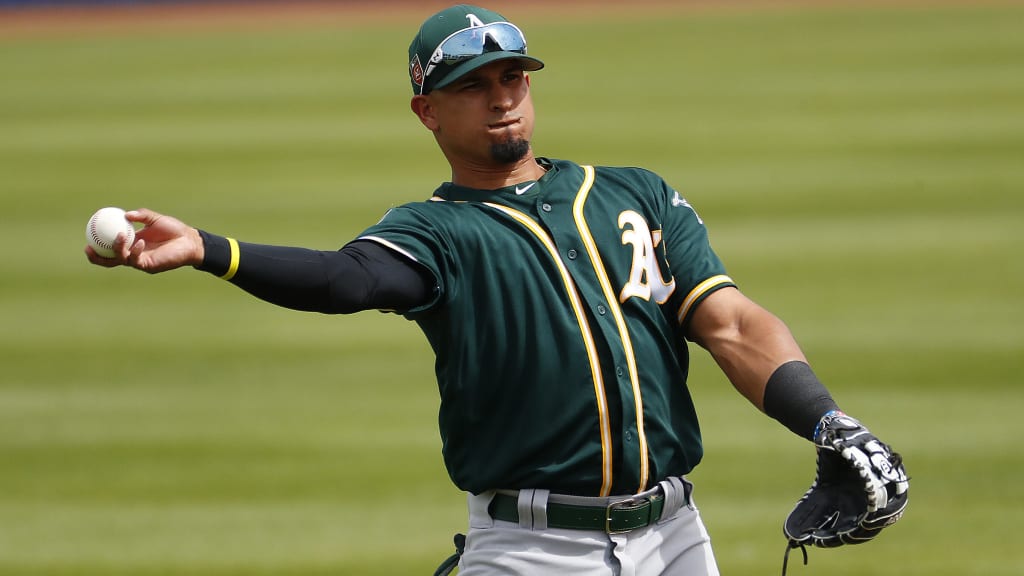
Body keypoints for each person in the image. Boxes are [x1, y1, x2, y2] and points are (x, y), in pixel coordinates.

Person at [85, 5, 907, 575]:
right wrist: (210, 249)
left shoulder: (634, 195)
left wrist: (828, 420)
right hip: (532, 551)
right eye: (474, 84)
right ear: (427, 112)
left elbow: (729, 324)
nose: (502, 96)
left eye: (512, 75)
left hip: (678, 540)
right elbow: (346, 280)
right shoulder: (434, 233)